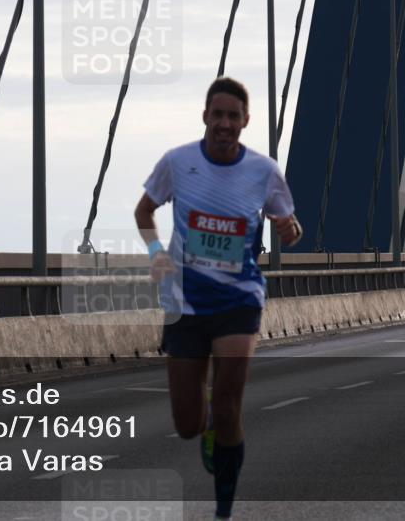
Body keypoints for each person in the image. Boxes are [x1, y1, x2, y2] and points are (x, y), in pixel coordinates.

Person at [134, 77, 301, 521]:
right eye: (218, 114)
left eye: (234, 116)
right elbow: (143, 211)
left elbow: (290, 224)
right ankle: (205, 429)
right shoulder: (178, 162)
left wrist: (289, 230)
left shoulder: (264, 171)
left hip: (239, 301)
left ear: (245, 121)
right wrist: (156, 256)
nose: (225, 124)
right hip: (184, 303)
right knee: (188, 425)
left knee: (228, 407)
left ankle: (223, 510)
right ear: (205, 116)